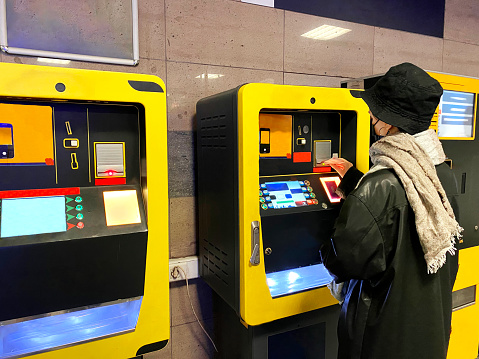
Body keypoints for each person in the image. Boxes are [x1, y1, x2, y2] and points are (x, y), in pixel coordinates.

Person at [320, 62, 462, 359]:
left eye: (375, 110)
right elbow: (405, 213)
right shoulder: (440, 174)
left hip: (380, 337)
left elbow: (342, 257)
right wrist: (354, 181)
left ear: (389, 123)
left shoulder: (381, 183)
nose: (372, 115)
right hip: (427, 331)